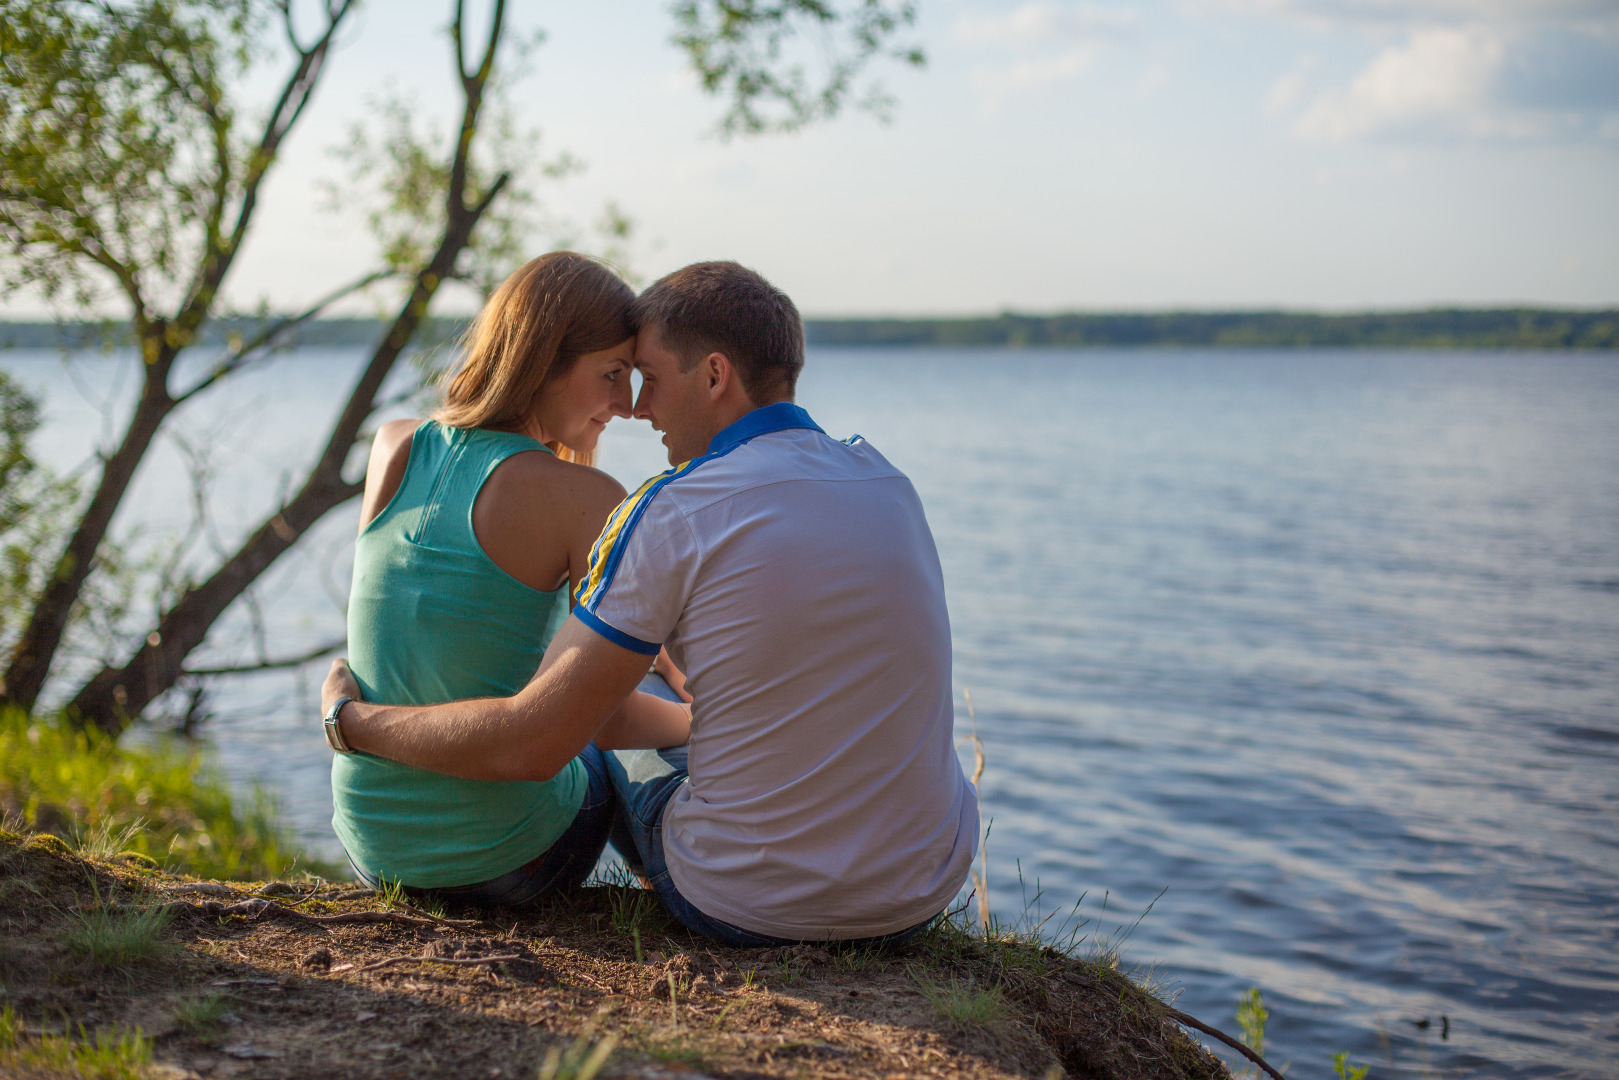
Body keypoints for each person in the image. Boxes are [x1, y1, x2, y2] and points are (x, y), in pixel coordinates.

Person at [322, 260, 977, 943]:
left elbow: (550, 734)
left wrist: (352, 723)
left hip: (746, 905)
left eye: (649, 379)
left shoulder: (671, 509)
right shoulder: (887, 482)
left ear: (715, 376)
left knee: (608, 746)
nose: (636, 407)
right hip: (920, 890)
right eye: (618, 376)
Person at [329, 251, 690, 908]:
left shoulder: (395, 445)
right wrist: (706, 720)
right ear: (544, 361)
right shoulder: (582, 494)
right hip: (506, 861)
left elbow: (432, 632)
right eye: (611, 374)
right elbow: (602, 723)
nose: (626, 404)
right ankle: (690, 882)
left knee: (622, 661)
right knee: (629, 702)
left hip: (373, 850)